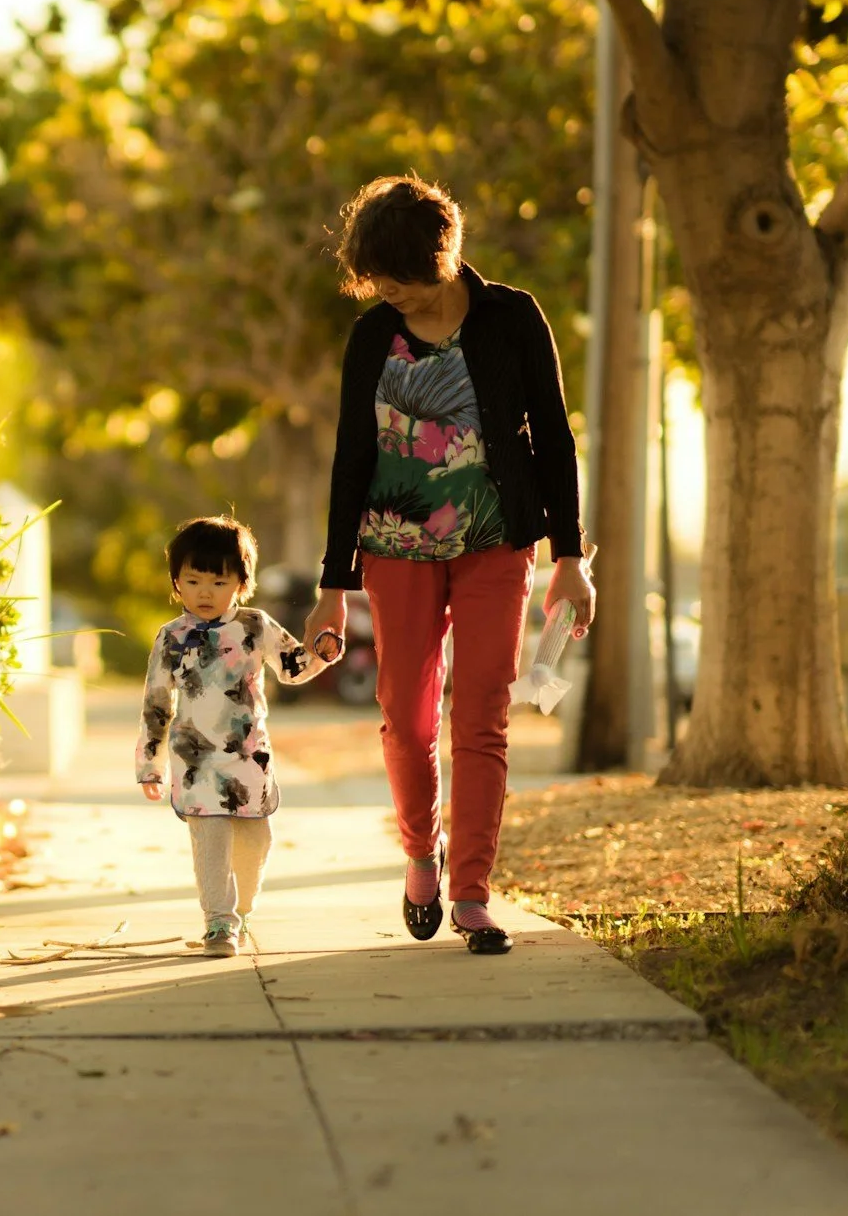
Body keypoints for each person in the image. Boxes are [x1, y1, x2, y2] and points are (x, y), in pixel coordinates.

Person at [305, 175, 595, 957]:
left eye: (396, 280)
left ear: (440, 258)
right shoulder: (373, 337)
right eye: (377, 282)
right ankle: (419, 851)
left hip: (497, 541)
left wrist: (570, 557)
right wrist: (333, 584)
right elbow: (351, 458)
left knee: (482, 712)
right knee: (407, 714)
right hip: (393, 547)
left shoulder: (512, 317)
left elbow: (556, 440)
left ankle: (471, 890)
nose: (386, 293)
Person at [136, 516, 339, 958]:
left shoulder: (255, 625)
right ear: (176, 583)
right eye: (192, 580)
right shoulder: (171, 637)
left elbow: (291, 668)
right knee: (209, 844)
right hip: (195, 762)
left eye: (218, 581)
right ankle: (218, 922)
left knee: (254, 843)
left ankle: (242, 908)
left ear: (241, 583)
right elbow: (156, 702)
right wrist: (149, 762)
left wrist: (322, 654)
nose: (204, 592)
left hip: (248, 758)